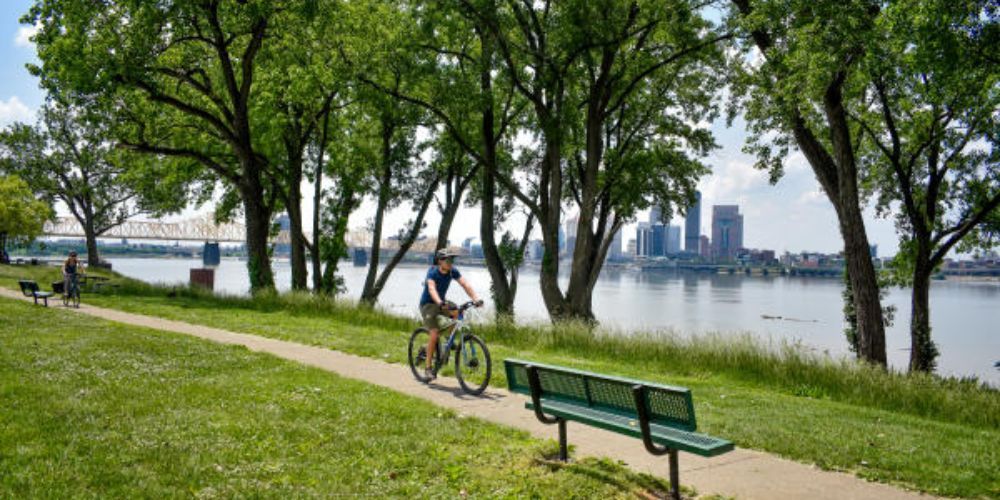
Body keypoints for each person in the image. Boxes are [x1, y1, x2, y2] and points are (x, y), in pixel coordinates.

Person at [420, 248, 482, 380]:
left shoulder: (452, 271)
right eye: (448, 260)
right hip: (428, 305)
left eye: (452, 260)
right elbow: (431, 289)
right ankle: (428, 368)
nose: (450, 262)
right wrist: (440, 302)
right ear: (440, 261)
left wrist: (475, 299)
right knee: (434, 333)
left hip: (442, 303)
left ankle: (447, 340)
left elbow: (465, 284)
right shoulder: (432, 272)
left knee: (458, 313)